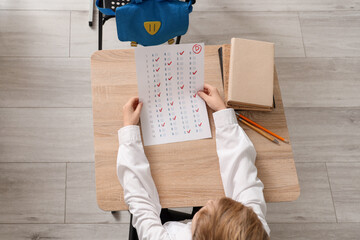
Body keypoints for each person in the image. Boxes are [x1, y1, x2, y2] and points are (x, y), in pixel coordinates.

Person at [117, 83, 270, 240]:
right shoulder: (253, 230)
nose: (209, 201)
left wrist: (129, 131)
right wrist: (223, 113)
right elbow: (244, 178)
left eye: (204, 213)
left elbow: (141, 203)